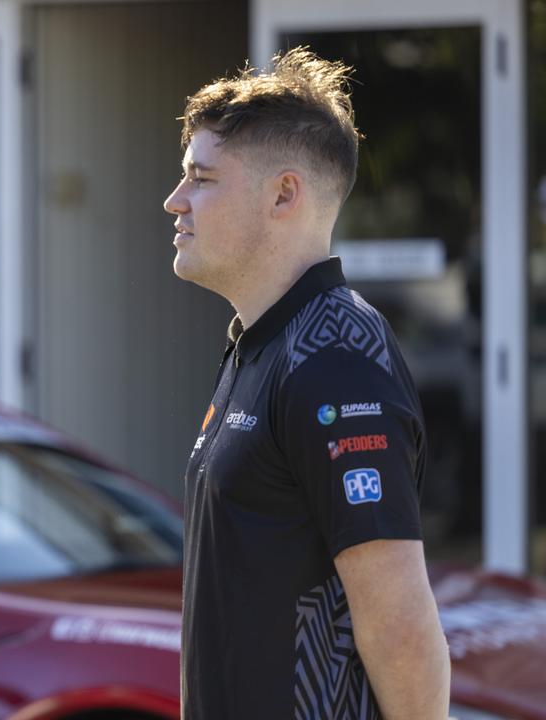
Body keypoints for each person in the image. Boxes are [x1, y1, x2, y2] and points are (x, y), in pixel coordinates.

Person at [163, 48, 450, 718]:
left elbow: (402, 626)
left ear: (284, 194)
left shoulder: (335, 356)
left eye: (201, 179)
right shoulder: (258, 346)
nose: (175, 201)